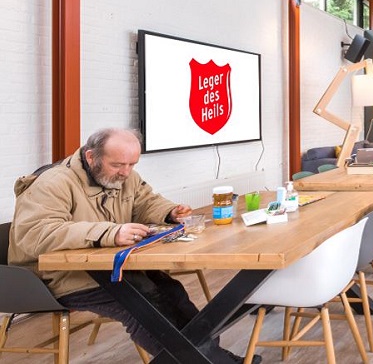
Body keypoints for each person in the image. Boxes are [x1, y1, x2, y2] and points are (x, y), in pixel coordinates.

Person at [8, 128, 260, 363]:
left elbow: (145, 202)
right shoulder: (53, 183)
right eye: (117, 164)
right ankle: (202, 359)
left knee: (172, 293)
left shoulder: (124, 175)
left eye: (132, 164)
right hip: (61, 276)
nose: (126, 172)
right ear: (90, 156)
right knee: (142, 306)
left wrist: (169, 212)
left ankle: (211, 357)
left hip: (110, 265)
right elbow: (35, 234)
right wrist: (110, 232)